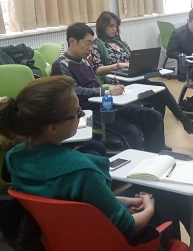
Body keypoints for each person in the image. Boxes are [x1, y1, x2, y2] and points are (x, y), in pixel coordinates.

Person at [0, 75, 193, 251]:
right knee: (167, 195)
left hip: (65, 246)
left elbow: (72, 203)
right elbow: (127, 226)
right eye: (76, 113)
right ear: (52, 128)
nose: (82, 115)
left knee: (154, 191)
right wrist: (148, 206)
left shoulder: (15, 158)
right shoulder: (82, 172)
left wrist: (123, 200)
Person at [0, 35, 106, 164]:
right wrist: (24, 130)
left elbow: (0, 108)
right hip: (8, 159)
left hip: (22, 145)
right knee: (93, 154)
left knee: (95, 148)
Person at [51, 23, 166, 153]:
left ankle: (156, 156)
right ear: (72, 41)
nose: (91, 48)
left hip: (107, 104)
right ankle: (136, 164)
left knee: (153, 116)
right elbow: (74, 91)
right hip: (90, 111)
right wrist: (107, 91)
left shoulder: (84, 62)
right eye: (87, 43)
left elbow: (96, 84)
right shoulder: (61, 65)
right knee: (132, 132)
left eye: (92, 44)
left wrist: (114, 91)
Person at [90, 11, 193, 135]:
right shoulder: (97, 45)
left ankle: (157, 134)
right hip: (117, 82)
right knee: (161, 89)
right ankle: (184, 121)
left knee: (159, 92)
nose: (115, 29)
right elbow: (98, 70)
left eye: (116, 26)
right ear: (102, 26)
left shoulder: (120, 43)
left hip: (132, 77)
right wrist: (118, 65)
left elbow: (133, 59)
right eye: (111, 26)